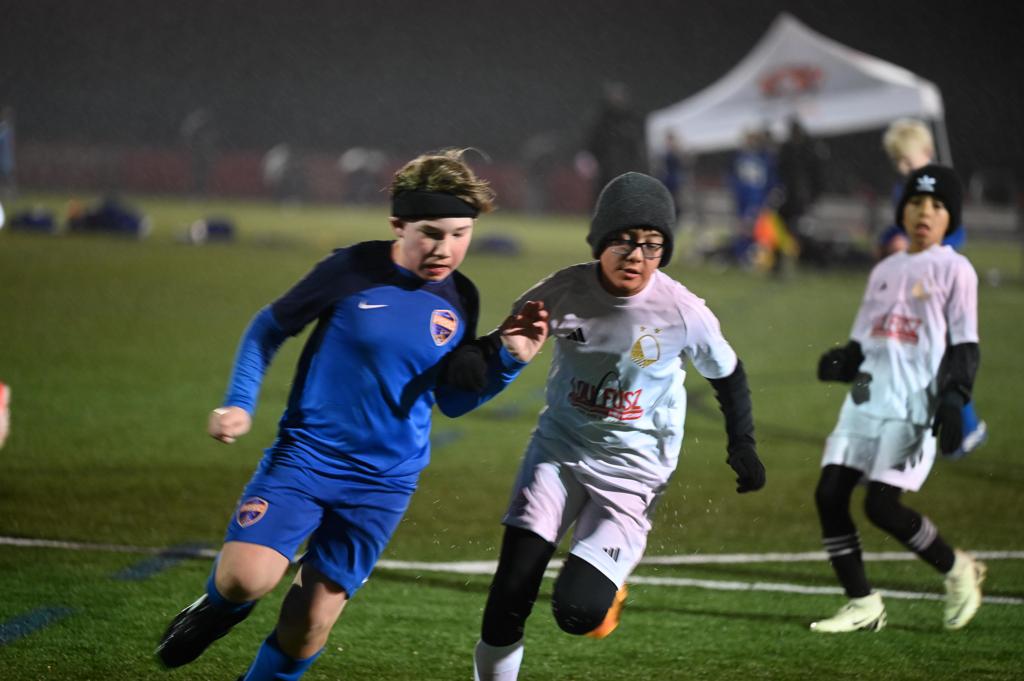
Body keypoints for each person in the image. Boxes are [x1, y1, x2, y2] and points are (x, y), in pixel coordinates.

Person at [154, 148, 549, 680]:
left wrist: (509, 361)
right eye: (431, 233)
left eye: (460, 234)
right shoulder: (351, 269)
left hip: (385, 483)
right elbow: (267, 328)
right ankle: (219, 608)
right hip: (307, 459)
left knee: (308, 624)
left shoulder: (461, 297)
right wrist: (239, 404)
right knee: (245, 580)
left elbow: (451, 402)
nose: (445, 248)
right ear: (398, 224)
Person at [464, 172, 765, 680]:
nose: (636, 256)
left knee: (577, 613)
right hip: (558, 454)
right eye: (623, 240)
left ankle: (607, 585)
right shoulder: (564, 290)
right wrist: (476, 358)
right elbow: (505, 338)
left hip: (633, 473)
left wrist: (743, 444)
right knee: (509, 594)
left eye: (651, 244)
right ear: (600, 241)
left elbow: (728, 373)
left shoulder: (682, 311)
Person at [812, 165, 986, 633]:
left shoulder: (956, 270)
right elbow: (864, 337)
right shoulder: (884, 269)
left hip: (912, 407)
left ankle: (957, 569)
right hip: (865, 400)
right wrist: (843, 361)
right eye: (916, 202)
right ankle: (863, 603)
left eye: (937, 205)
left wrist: (955, 397)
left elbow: (965, 345)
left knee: (882, 507)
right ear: (902, 212)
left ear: (950, 218)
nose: (925, 212)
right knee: (829, 495)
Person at [876, 119, 987, 459]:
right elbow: (900, 227)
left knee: (942, 358)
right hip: (912, 285)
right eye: (897, 161)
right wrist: (886, 241)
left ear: (927, 152)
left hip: (937, 286)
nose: (901, 167)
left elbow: (956, 234)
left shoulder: (942, 187)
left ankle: (967, 428)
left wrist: (927, 249)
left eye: (907, 160)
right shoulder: (905, 188)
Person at [585, 82, 648, 203]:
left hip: (626, 165)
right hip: (606, 165)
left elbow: (636, 143)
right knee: (605, 191)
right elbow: (593, 141)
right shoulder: (602, 119)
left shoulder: (631, 119)